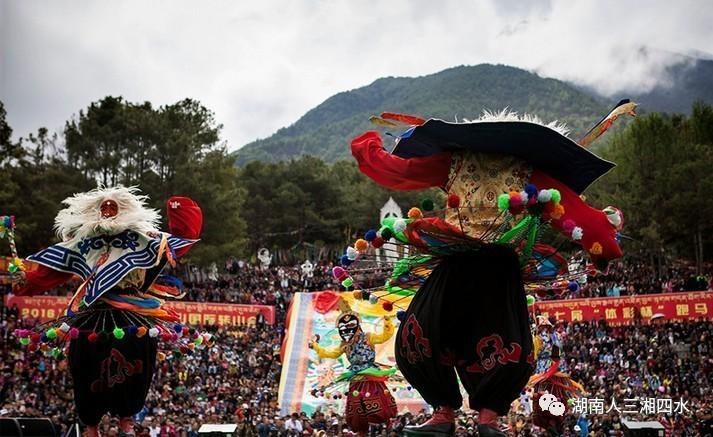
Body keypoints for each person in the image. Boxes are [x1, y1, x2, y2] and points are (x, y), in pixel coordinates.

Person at [345, 102, 632, 436]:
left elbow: (399, 170)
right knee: (425, 331)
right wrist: (603, 242)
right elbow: (577, 215)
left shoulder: (477, 165)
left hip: (484, 266)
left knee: (490, 338)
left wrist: (369, 149)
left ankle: (479, 417)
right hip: (468, 261)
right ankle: (453, 414)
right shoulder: (509, 170)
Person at [12, 186, 203, 437]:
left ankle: (126, 420)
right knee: (84, 365)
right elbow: (49, 273)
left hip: (132, 309)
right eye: (105, 207)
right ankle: (91, 426)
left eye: (114, 207)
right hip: (92, 311)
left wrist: (178, 210)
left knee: (137, 354)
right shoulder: (81, 242)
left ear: (125, 210)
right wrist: (25, 281)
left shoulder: (143, 237)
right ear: (95, 210)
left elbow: (179, 241)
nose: (109, 211)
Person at [309, 297, 397, 436]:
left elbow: (385, 336)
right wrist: (315, 346)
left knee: (378, 408)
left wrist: (387, 320)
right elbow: (330, 353)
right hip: (355, 377)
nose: (346, 330)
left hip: (371, 375)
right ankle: (362, 432)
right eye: (343, 328)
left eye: (350, 326)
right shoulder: (345, 345)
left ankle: (386, 430)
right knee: (357, 412)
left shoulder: (368, 337)